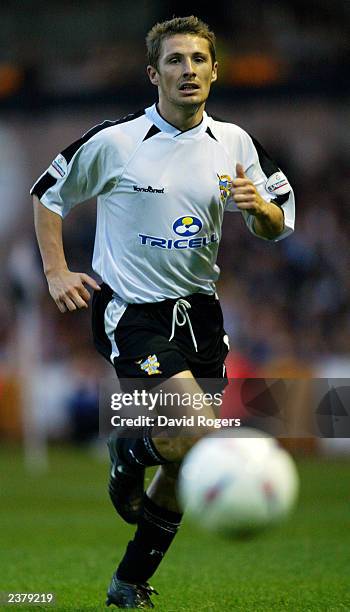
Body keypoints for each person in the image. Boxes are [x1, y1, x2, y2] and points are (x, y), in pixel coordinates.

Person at [31, 15, 295, 609]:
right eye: (175, 61)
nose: (188, 71)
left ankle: (129, 581)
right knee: (197, 435)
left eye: (199, 60)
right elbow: (48, 193)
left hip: (201, 314)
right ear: (154, 74)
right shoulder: (117, 141)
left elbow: (276, 224)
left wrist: (262, 212)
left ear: (215, 71)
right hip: (132, 312)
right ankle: (129, 447)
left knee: (184, 455)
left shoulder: (236, 143)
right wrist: (55, 270)